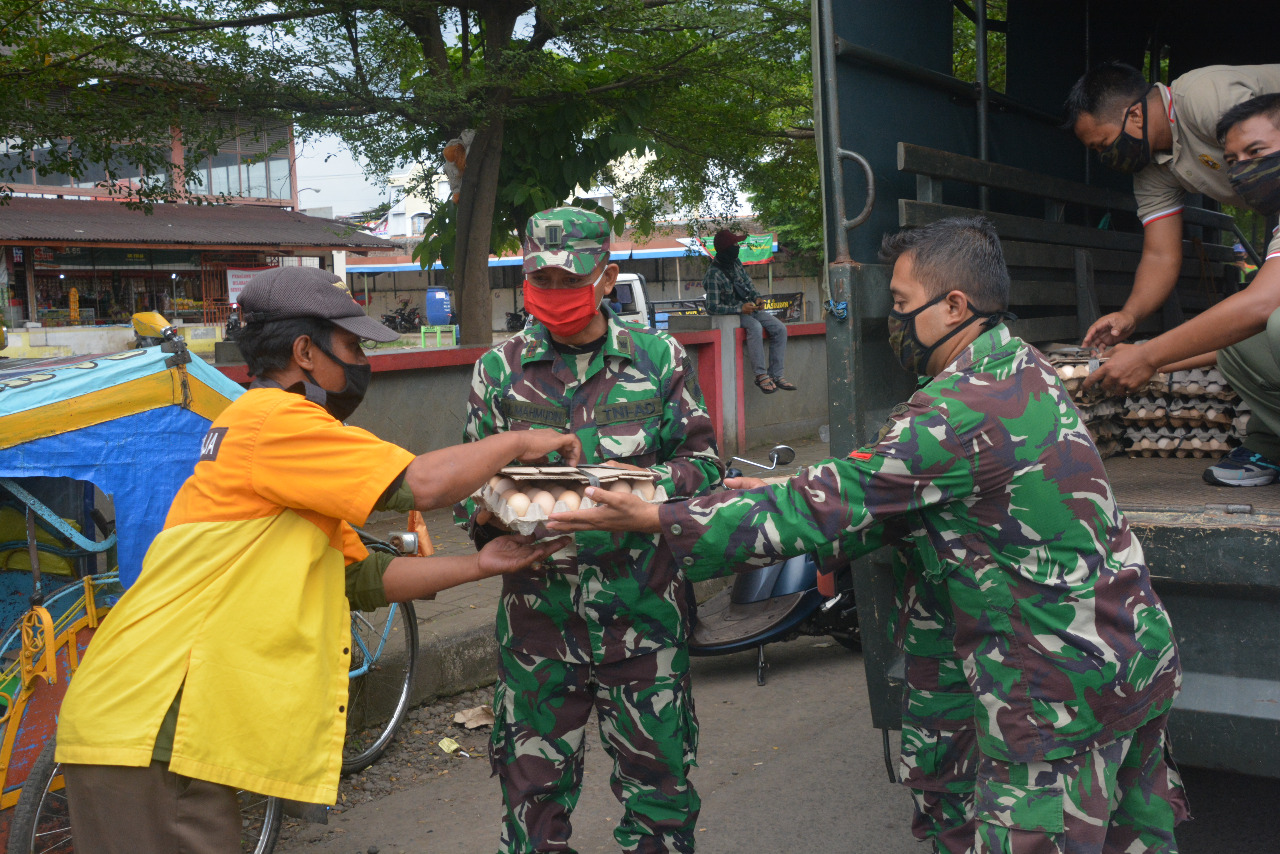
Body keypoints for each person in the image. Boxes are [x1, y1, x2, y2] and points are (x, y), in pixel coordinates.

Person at [551, 217, 1188, 853]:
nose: (895, 322)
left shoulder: (955, 409)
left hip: (1056, 692)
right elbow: (893, 491)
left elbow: (828, 505)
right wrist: (772, 489)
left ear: (956, 306)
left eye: (904, 305)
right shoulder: (1021, 366)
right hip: (1130, 655)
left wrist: (655, 519)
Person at [54, 267, 580, 854]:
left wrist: (483, 565)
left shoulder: (266, 434)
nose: (362, 364)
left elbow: (360, 578)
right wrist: (516, 441)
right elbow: (424, 483)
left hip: (154, 725)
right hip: (151, 719)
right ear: (305, 351)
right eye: (352, 347)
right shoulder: (276, 421)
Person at [456, 206, 723, 854]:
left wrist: (640, 497)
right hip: (537, 634)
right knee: (530, 819)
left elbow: (705, 464)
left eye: (568, 282)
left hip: (642, 625)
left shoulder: (657, 361)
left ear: (606, 278)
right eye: (539, 282)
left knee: (661, 807)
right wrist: (492, 512)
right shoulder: (499, 373)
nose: (553, 297)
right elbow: (468, 487)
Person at [1065, 61, 1280, 485]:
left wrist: (1149, 356)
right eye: (1232, 159)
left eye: (1102, 144)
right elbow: (1161, 256)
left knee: (1270, 321)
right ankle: (1271, 446)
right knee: (1237, 335)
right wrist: (1131, 320)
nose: (1105, 158)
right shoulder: (1153, 169)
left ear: (1136, 115)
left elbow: (1262, 302)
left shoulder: (1206, 98)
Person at [701, 229, 795, 393]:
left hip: (749, 308)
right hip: (732, 315)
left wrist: (757, 298)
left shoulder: (736, 263)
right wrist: (739, 308)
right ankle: (761, 375)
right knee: (755, 327)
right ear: (725, 248)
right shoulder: (713, 274)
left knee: (780, 329)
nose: (737, 246)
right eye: (735, 244)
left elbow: (747, 283)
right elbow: (712, 307)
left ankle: (776, 375)